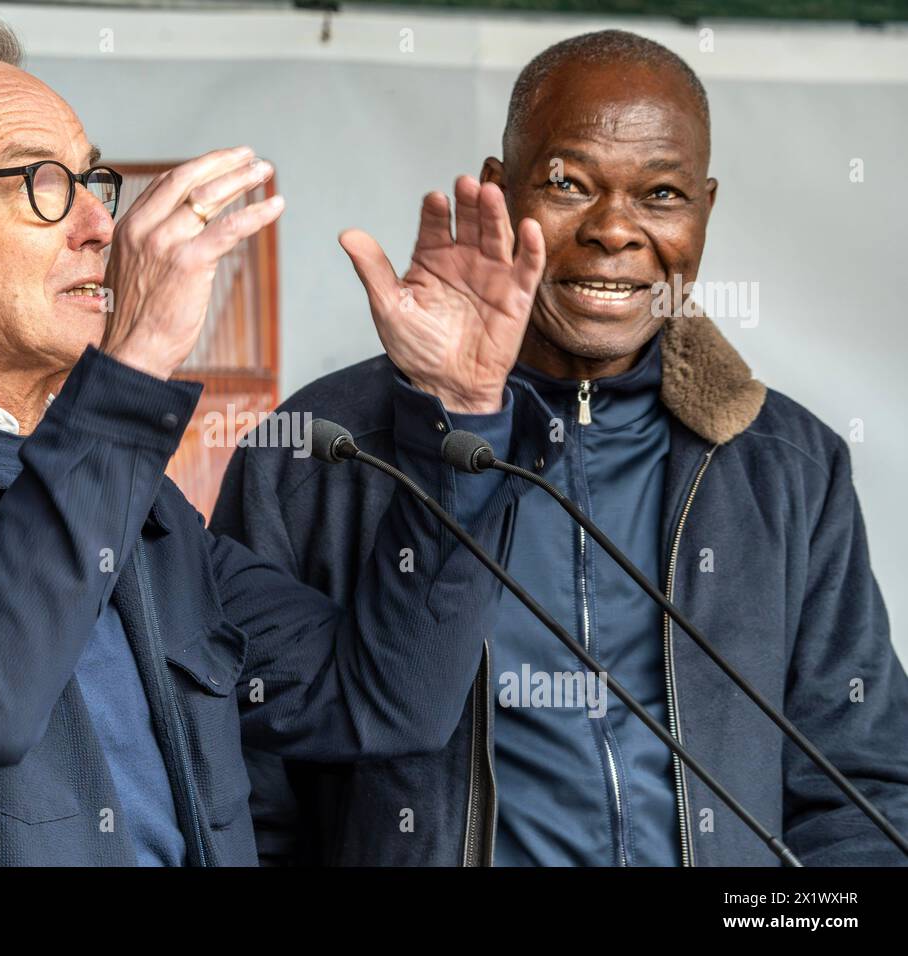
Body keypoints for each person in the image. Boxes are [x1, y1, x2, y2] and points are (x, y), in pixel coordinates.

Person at [0, 14, 546, 866]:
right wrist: (134, 363)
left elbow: (387, 697)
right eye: (41, 182)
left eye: (91, 181)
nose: (98, 225)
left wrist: (457, 411)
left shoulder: (138, 505)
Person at [212, 29, 908, 867]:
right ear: (500, 193)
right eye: (569, 183)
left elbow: (861, 791)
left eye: (661, 194)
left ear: (706, 210)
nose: (615, 230)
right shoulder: (322, 452)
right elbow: (240, 797)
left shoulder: (790, 464)